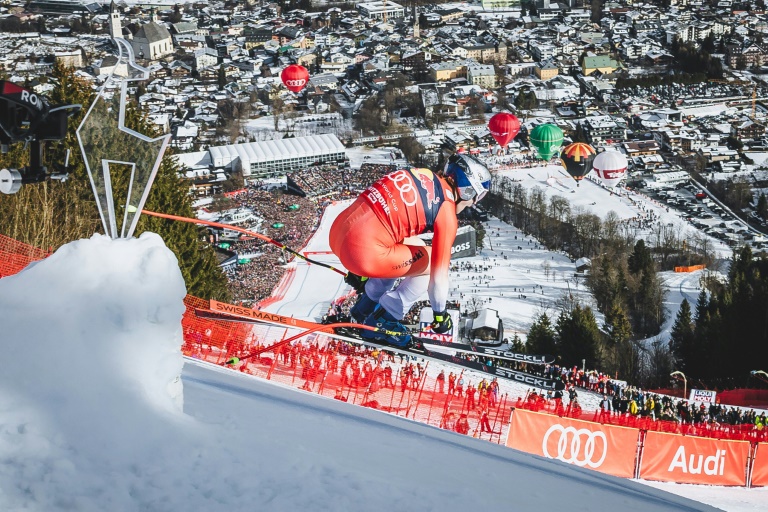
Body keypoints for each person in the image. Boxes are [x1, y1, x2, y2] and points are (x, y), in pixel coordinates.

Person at [329, 154, 492, 346]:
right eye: (478, 196)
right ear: (466, 190)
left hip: (339, 233)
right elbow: (438, 277)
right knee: (431, 261)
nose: (474, 203)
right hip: (363, 254)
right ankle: (386, 317)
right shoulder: (446, 211)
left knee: (414, 245)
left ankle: (364, 308)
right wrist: (440, 314)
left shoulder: (423, 175)